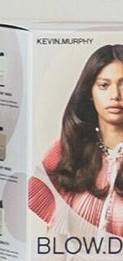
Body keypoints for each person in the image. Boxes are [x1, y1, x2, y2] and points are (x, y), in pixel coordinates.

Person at [33, 42, 123, 236]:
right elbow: (55, 243)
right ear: (90, 92)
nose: (115, 95)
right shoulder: (68, 151)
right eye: (104, 85)